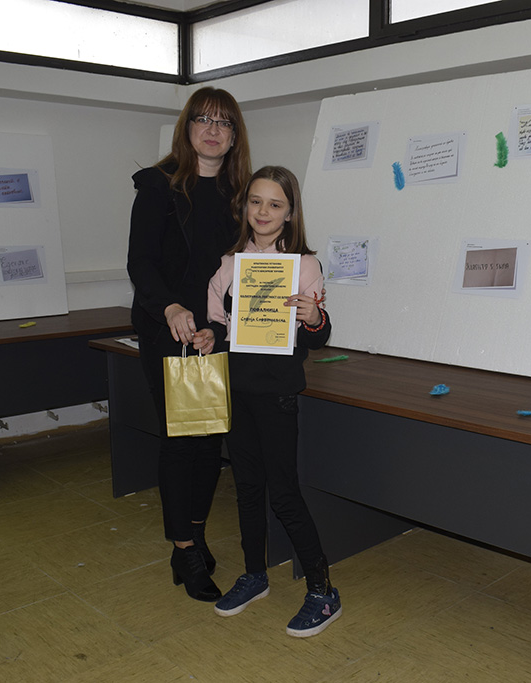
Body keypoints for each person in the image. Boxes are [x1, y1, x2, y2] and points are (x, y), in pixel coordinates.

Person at [202, 165, 342, 637]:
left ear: (290, 212)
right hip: (237, 391)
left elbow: (317, 337)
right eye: (256, 201)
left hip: (277, 395)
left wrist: (314, 315)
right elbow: (219, 324)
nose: (263, 211)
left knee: (283, 494)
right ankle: (254, 575)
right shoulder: (229, 262)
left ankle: (323, 591)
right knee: (247, 488)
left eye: (275, 204)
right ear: (245, 206)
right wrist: (209, 335)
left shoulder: (304, 265)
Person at [126, 87, 251, 602]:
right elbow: (140, 263)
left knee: (208, 441)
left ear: (234, 136)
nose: (213, 130)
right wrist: (172, 308)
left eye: (224, 122)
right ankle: (183, 549)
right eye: (203, 119)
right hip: (168, 329)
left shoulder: (240, 195)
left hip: (214, 333)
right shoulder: (157, 186)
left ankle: (195, 534)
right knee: (181, 439)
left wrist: (218, 326)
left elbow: (243, 271)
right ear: (188, 127)